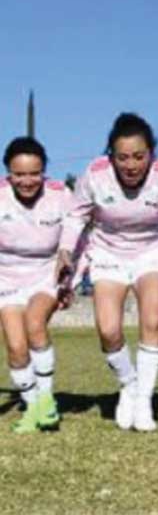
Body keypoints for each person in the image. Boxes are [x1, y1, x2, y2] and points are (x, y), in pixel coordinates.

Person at [58, 113, 158, 431]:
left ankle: (143, 401)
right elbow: (74, 217)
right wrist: (65, 252)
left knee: (152, 320)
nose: (131, 165)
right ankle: (129, 384)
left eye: (139, 156)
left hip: (150, 253)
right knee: (109, 330)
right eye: (122, 158)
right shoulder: (95, 175)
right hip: (108, 253)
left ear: (151, 154)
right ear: (110, 156)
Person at [0, 137, 72, 433]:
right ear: (8, 173)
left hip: (45, 274)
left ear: (44, 171)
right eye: (19, 174)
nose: (27, 181)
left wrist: (69, 279)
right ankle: (32, 409)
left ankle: (46, 402)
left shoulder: (60, 195)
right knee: (16, 348)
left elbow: (75, 235)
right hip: (6, 278)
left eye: (34, 173)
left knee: (35, 323)